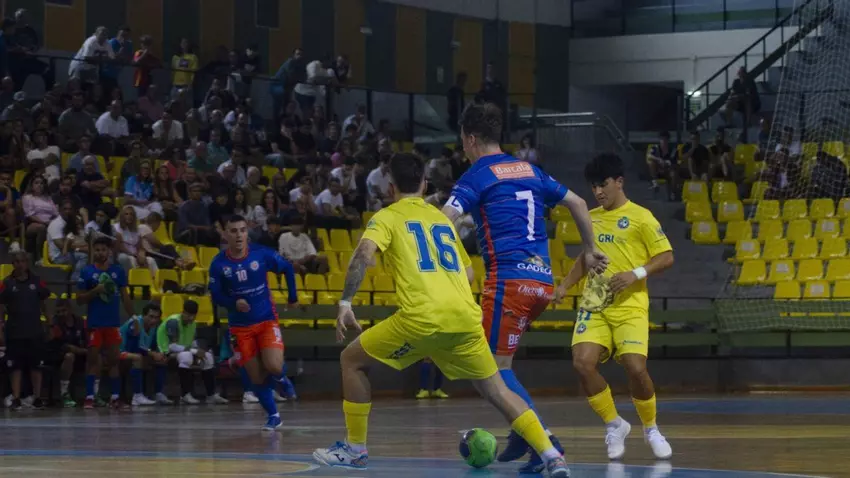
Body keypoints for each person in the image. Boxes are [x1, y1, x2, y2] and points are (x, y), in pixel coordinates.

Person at [312, 153, 570, 477]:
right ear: (424, 185)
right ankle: (551, 455)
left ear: (391, 188)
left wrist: (345, 303)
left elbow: (363, 254)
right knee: (498, 390)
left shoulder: (387, 216)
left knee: (351, 360)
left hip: (422, 318)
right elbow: (469, 273)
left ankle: (355, 450)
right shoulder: (441, 219)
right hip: (465, 318)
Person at [440, 102, 607, 473]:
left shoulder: (476, 175)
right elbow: (579, 203)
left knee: (489, 371)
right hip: (541, 282)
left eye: (462, 141)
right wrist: (590, 249)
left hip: (509, 282)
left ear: (470, 139)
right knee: (499, 366)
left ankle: (542, 440)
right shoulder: (529, 169)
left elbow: (443, 221)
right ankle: (522, 432)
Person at [554, 153, 675, 461]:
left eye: (603, 184)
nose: (598, 192)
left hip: (630, 306)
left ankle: (651, 428)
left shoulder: (642, 217)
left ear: (619, 182)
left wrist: (636, 274)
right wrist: (565, 286)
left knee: (636, 368)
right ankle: (614, 424)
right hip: (594, 303)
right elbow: (585, 258)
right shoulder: (590, 218)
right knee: (582, 363)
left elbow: (666, 257)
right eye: (593, 186)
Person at [208, 215, 299, 430]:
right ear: (226, 234)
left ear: (247, 232)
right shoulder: (218, 264)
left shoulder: (261, 254)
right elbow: (216, 295)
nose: (239, 235)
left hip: (266, 320)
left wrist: (292, 297)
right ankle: (274, 416)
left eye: (242, 230)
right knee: (256, 377)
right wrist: (233, 303)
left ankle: (282, 379)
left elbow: (287, 268)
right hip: (240, 328)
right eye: (233, 231)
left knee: (273, 365)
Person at [77, 237, 135, 409]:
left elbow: (125, 297)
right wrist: (96, 290)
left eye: (103, 249)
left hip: (112, 323)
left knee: (114, 360)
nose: (100, 253)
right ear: (93, 251)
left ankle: (115, 397)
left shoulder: (118, 271)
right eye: (97, 250)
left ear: (109, 252)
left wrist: (134, 318)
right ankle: (89, 396)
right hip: (95, 323)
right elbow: (79, 300)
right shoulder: (87, 271)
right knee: (93, 360)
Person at [0, 251, 51, 410]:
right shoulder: (6, 283)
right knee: (15, 366)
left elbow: (44, 303)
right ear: (12, 264)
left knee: (36, 365)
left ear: (27, 263)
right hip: (14, 331)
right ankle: (16, 398)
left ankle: (37, 397)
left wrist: (49, 323)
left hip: (34, 330)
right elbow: (1, 306)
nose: (20, 264)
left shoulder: (37, 281)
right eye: (16, 261)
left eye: (22, 261)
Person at [157, 300, 229, 405]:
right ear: (183, 312)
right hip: (166, 353)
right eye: (188, 315)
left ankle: (211, 395)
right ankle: (185, 395)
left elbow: (191, 342)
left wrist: (201, 350)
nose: (191, 318)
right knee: (186, 356)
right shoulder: (173, 322)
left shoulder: (193, 324)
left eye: (193, 316)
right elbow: (172, 346)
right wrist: (194, 350)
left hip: (184, 351)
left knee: (208, 357)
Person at [119, 302, 169, 406]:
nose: (153, 320)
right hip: (120, 352)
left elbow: (154, 345)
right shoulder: (135, 324)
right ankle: (137, 396)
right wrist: (152, 354)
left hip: (139, 353)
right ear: (143, 315)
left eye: (156, 318)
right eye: (151, 316)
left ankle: (158, 393)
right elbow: (132, 348)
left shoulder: (154, 327)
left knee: (162, 360)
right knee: (138, 358)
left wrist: (159, 354)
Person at [48, 297, 88, 407]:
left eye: (64, 310)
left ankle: (92, 395)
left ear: (70, 309)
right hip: (59, 357)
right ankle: (64, 392)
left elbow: (87, 342)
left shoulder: (80, 322)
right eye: (58, 312)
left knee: (95, 356)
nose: (61, 314)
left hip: (80, 354)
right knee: (69, 356)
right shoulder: (55, 323)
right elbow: (63, 346)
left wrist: (82, 350)